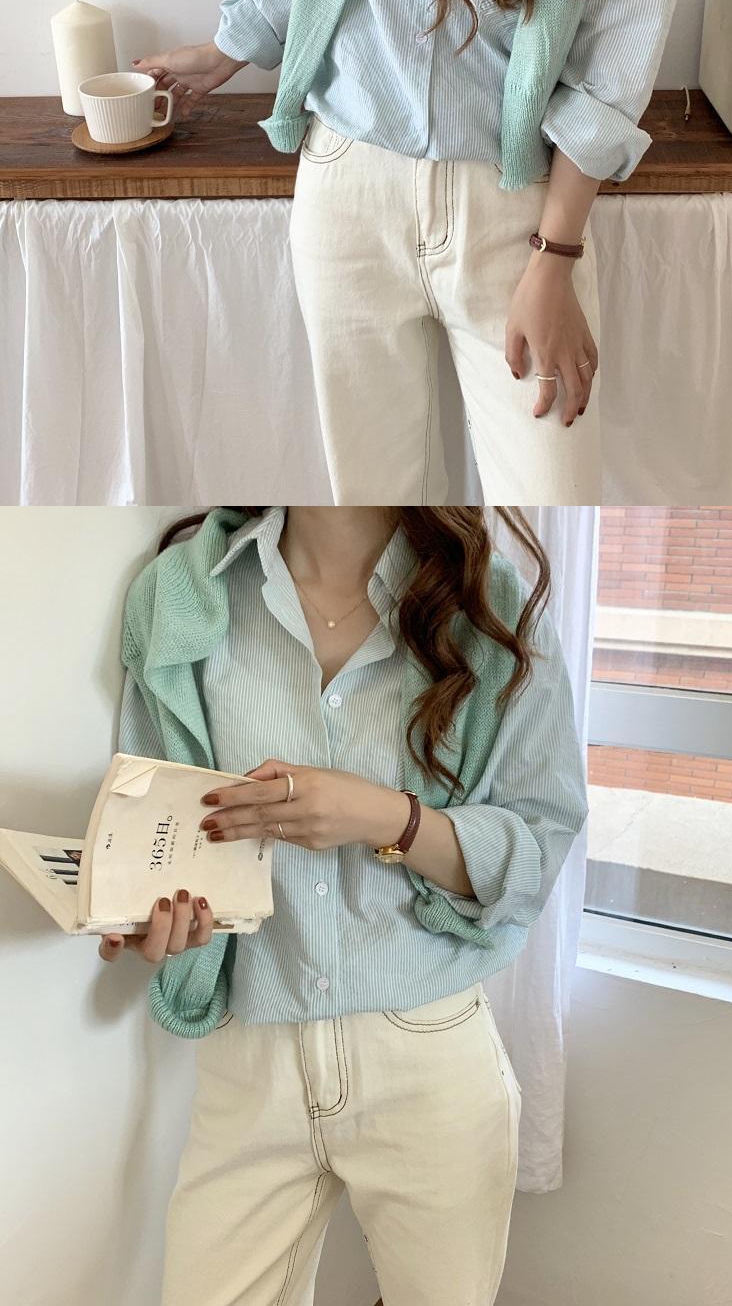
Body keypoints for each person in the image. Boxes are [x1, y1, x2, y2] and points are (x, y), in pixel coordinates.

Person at [135, 0, 704, 501]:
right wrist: (227, 49)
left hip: (521, 214)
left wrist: (556, 257)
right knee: (374, 506)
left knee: (547, 503)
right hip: (347, 189)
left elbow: (613, 68)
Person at [99, 501, 588, 1306]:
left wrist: (387, 817)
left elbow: (536, 853)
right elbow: (166, 824)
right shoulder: (184, 592)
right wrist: (151, 914)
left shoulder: (489, 602)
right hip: (250, 1059)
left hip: (427, 1055)